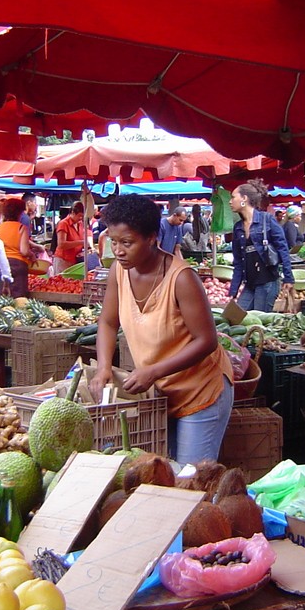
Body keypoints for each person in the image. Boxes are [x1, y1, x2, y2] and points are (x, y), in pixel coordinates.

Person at [91, 194, 234, 464]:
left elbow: (207, 341)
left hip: (200, 391)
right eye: (114, 241)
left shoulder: (182, 279)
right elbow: (108, 322)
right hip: (159, 393)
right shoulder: (119, 272)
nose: (118, 250)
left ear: (152, 238)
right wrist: (103, 368)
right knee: (163, 473)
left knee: (190, 480)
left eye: (127, 243)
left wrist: (153, 371)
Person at [227, 180, 294, 312]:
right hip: (250, 284)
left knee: (258, 323)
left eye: (233, 197)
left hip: (267, 282)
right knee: (236, 318)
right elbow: (238, 262)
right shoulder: (238, 228)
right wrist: (233, 292)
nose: (230, 201)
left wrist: (288, 277)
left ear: (244, 199)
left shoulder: (267, 220)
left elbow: (283, 249)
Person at [0, 197, 34, 297]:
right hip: (18, 265)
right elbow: (24, 251)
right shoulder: (21, 228)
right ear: (19, 213)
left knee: (3, 297)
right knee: (18, 299)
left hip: (1, 264)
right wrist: (32, 255)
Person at [53, 201, 88, 274]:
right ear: (72, 212)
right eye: (79, 216)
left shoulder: (80, 224)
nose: (81, 218)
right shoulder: (63, 224)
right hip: (63, 261)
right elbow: (61, 244)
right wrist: (81, 242)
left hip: (75, 260)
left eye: (82, 216)